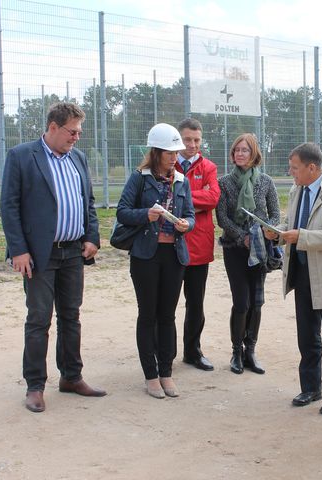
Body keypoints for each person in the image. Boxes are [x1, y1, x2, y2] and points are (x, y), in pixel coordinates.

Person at [0, 102, 106, 413]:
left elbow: (88, 202)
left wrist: (91, 236)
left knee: (71, 316)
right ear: (53, 127)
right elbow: (9, 206)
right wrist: (18, 250)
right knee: (38, 319)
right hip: (38, 255)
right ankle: (35, 386)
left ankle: (71, 377)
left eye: (79, 132)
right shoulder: (22, 156)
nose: (76, 137)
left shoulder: (78, 158)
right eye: (72, 132)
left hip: (73, 252)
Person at [266, 142, 322, 415]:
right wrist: (277, 232)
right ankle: (310, 388)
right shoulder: (297, 190)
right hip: (302, 272)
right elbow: (292, 224)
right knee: (307, 336)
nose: (291, 172)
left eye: (295, 168)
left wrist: (300, 237)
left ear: (312, 168)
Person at [116, 123, 195, 399]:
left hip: (174, 255)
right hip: (145, 256)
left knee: (168, 315)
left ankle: (166, 372)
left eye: (176, 152)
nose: (174, 157)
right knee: (148, 314)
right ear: (156, 152)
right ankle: (150, 375)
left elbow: (191, 214)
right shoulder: (139, 178)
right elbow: (122, 211)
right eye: (169, 152)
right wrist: (145, 214)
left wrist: (187, 224)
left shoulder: (182, 181)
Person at [216, 133, 280, 375]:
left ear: (254, 154)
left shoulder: (266, 182)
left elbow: (275, 214)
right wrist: (242, 236)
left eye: (245, 150)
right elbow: (222, 217)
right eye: (237, 150)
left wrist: (265, 231)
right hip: (234, 249)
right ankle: (236, 351)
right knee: (241, 302)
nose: (240, 154)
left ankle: (250, 350)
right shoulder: (224, 183)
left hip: (260, 249)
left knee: (257, 302)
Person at [175, 118, 220, 372]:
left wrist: (179, 195)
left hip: (199, 245)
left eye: (196, 140)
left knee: (195, 303)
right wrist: (196, 197)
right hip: (171, 245)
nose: (192, 145)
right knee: (166, 304)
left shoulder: (209, 167)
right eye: (187, 139)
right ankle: (164, 353)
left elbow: (213, 198)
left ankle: (193, 351)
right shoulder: (167, 162)